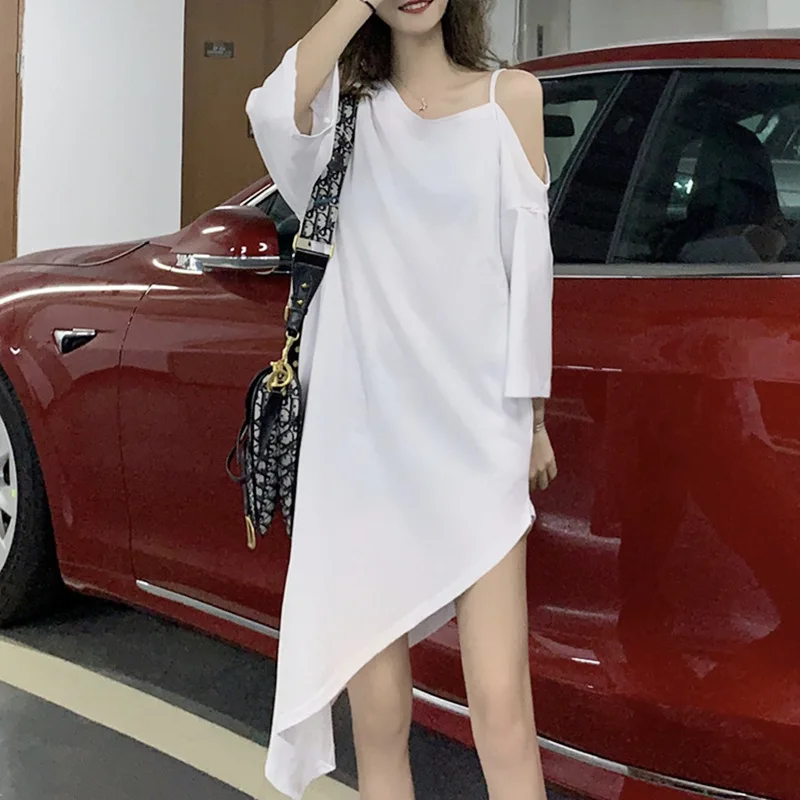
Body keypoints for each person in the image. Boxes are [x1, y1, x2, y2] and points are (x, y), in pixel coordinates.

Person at [246, 1, 556, 797]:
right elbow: (269, 109)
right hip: (363, 447)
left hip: (477, 438)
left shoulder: (510, 99)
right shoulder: (345, 121)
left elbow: (529, 275)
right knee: (379, 717)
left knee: (502, 709)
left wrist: (534, 418)